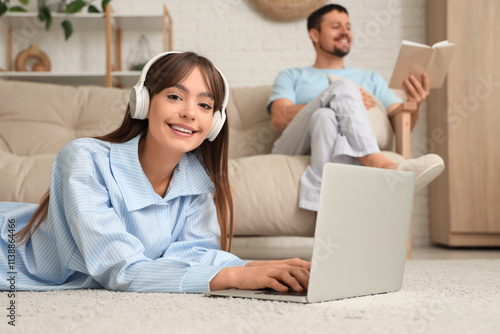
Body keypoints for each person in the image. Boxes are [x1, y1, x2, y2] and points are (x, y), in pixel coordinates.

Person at [0, 51, 310, 293]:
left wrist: (256, 267)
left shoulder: (197, 182)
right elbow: (121, 269)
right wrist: (232, 276)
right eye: (175, 97)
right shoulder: (83, 160)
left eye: (204, 105)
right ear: (143, 103)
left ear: (214, 123)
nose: (190, 112)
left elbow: (195, 254)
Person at [267, 4, 444, 211]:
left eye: (349, 27)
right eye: (335, 26)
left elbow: (402, 124)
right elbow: (279, 118)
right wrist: (336, 96)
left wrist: (416, 103)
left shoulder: (369, 78)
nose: (345, 32)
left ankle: (322, 208)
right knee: (341, 87)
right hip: (294, 146)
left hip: (333, 140)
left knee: (324, 117)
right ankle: (377, 162)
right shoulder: (292, 75)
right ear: (314, 35)